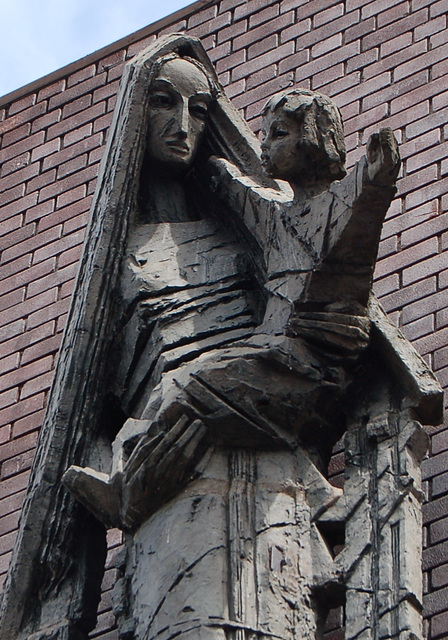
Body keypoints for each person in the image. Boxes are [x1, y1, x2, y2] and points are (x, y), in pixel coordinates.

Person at [63, 48, 400, 640]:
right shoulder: (111, 269)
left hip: (270, 462)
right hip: (173, 491)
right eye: (164, 103)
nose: (182, 125)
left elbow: (325, 288)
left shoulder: (255, 228)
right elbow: (87, 409)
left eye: (199, 109)